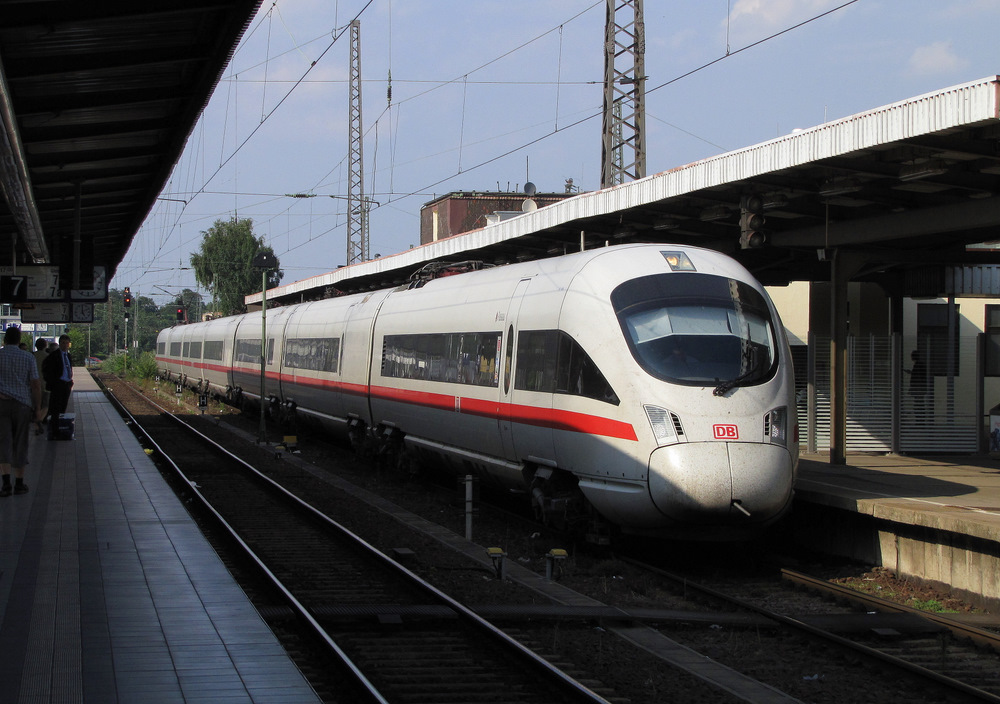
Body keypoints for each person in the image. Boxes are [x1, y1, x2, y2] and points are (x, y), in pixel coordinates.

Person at [0, 326, 43, 496]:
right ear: (19, 341)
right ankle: (19, 483)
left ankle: (5, 485)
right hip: (22, 405)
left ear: (4, 340)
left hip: (1, 405)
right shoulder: (28, 357)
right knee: (20, 442)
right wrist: (37, 408)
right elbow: (35, 385)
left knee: (3, 442)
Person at [42, 334, 74, 438]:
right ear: (59, 344)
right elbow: (46, 370)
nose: (65, 345)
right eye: (63, 343)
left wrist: (70, 381)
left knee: (63, 407)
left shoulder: (68, 355)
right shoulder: (53, 356)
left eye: (67, 343)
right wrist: (52, 382)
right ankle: (54, 430)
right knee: (55, 408)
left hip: (66, 384)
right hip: (58, 384)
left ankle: (61, 427)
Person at [33, 338, 49, 434]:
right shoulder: (47, 356)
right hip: (45, 384)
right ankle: (40, 420)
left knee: (36, 406)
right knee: (46, 405)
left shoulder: (32, 356)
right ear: (45, 346)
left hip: (33, 385)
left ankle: (36, 426)